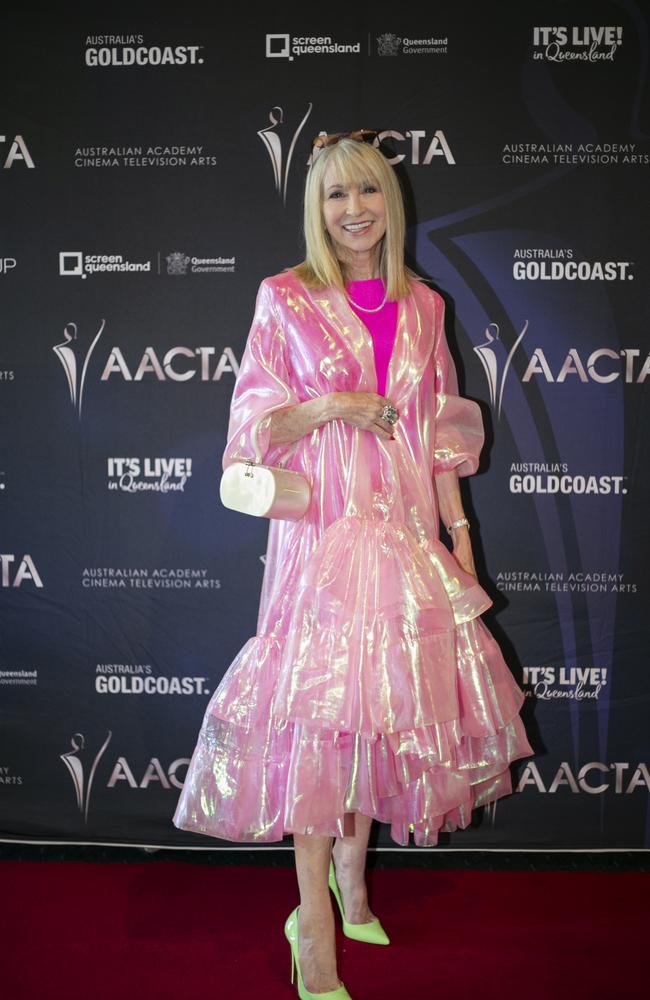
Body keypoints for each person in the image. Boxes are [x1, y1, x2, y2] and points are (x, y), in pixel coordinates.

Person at [173, 130, 534, 999]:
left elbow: (445, 435)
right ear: (316, 208)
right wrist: (330, 404)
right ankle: (314, 923)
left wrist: (460, 534)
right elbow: (253, 425)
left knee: (381, 711)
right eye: (336, 196)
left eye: (368, 192)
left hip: (404, 529)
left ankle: (356, 877)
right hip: (322, 534)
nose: (354, 211)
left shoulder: (424, 305)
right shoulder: (283, 298)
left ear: (390, 201)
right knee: (319, 721)